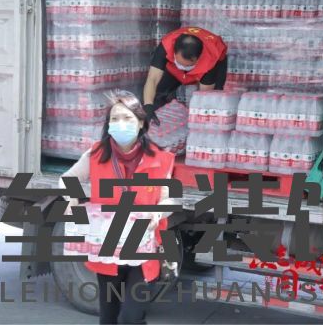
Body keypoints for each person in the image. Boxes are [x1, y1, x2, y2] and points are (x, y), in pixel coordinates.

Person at [61, 90, 177, 324]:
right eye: (114, 119)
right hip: (108, 248)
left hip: (144, 249)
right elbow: (67, 179)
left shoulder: (160, 158)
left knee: (130, 318)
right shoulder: (96, 154)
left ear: (141, 122)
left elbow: (170, 199)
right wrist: (72, 199)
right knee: (108, 318)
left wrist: (157, 212)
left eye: (127, 118)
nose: (120, 123)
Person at [142, 26, 227, 125]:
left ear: (198, 58)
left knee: (211, 104)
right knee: (156, 93)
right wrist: (148, 106)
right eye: (180, 63)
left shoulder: (210, 59)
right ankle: (159, 123)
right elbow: (152, 78)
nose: (183, 67)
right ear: (174, 52)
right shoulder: (166, 45)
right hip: (173, 68)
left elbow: (204, 96)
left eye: (187, 65)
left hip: (211, 65)